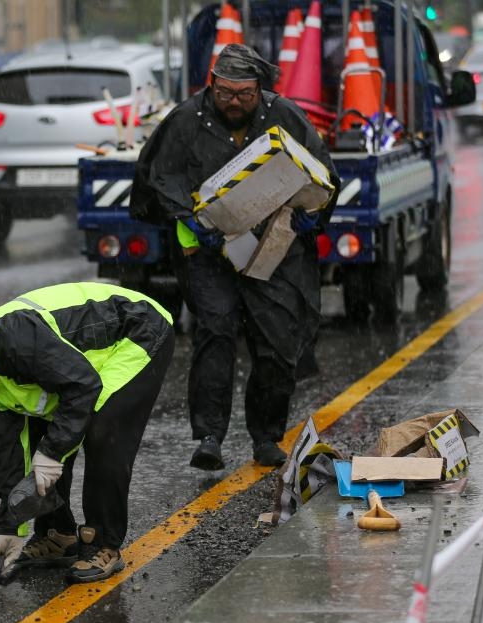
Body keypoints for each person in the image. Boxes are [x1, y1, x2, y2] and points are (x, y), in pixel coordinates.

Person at [131, 43, 338, 472]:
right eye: (225, 93)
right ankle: (209, 435)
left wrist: (310, 217)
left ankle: (266, 437)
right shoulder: (187, 120)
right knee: (216, 330)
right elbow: (159, 180)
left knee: (277, 343)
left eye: (244, 94)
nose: (234, 102)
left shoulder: (283, 115)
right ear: (213, 86)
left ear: (259, 90)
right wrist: (195, 222)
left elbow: (323, 172)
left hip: (272, 249)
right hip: (207, 252)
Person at [0, 282, 174, 583]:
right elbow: (7, 453)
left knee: (102, 430)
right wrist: (11, 528)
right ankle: (57, 535)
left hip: (137, 330)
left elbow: (82, 387)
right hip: (83, 369)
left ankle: (103, 543)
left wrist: (52, 453)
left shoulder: (12, 338)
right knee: (43, 431)